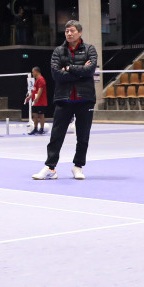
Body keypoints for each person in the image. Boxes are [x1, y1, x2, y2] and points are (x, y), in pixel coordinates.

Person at [32, 20, 98, 180]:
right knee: (56, 136)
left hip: (85, 99)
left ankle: (78, 166)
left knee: (83, 136)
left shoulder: (90, 49)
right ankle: (50, 168)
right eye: (67, 31)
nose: (69, 33)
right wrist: (80, 70)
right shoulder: (58, 51)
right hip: (63, 99)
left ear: (80, 32)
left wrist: (68, 68)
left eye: (72, 31)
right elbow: (55, 74)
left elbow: (90, 70)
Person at [25, 66, 47, 135]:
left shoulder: (41, 79)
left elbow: (41, 89)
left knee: (41, 115)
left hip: (40, 101)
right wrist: (29, 97)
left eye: (33, 72)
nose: (32, 73)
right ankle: (35, 128)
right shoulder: (36, 80)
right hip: (35, 101)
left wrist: (37, 98)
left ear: (36, 72)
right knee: (34, 115)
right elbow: (35, 91)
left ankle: (42, 129)